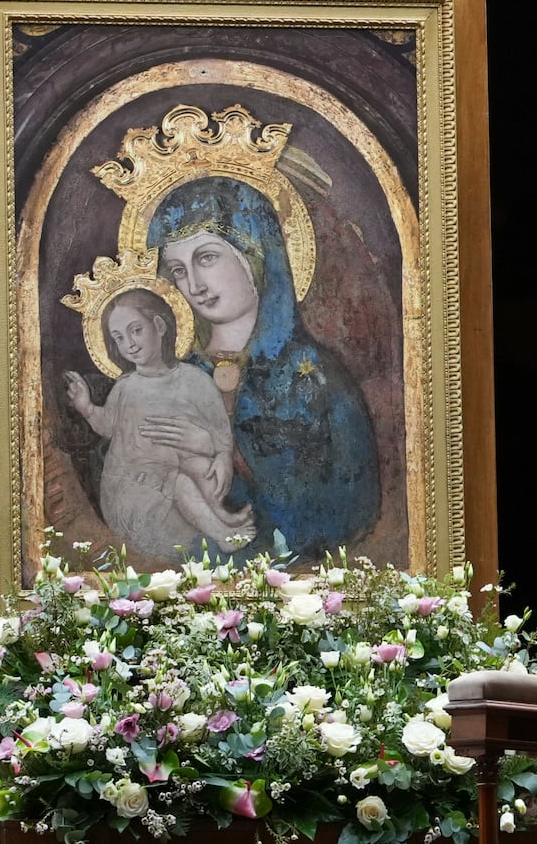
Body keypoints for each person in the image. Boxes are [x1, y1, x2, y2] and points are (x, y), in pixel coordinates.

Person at [140, 175, 382, 560]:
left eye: (206, 258)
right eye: (178, 270)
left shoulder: (315, 377)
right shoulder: (170, 376)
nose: (195, 285)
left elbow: (349, 506)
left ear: (255, 256)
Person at [62, 288, 254, 559]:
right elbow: (107, 427)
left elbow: (220, 430)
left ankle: (221, 516)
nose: (129, 343)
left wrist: (222, 456)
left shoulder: (195, 380)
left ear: (160, 326)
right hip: (132, 488)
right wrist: (87, 407)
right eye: (118, 337)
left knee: (201, 467)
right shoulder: (126, 387)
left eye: (136, 330)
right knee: (180, 482)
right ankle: (222, 535)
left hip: (172, 473)